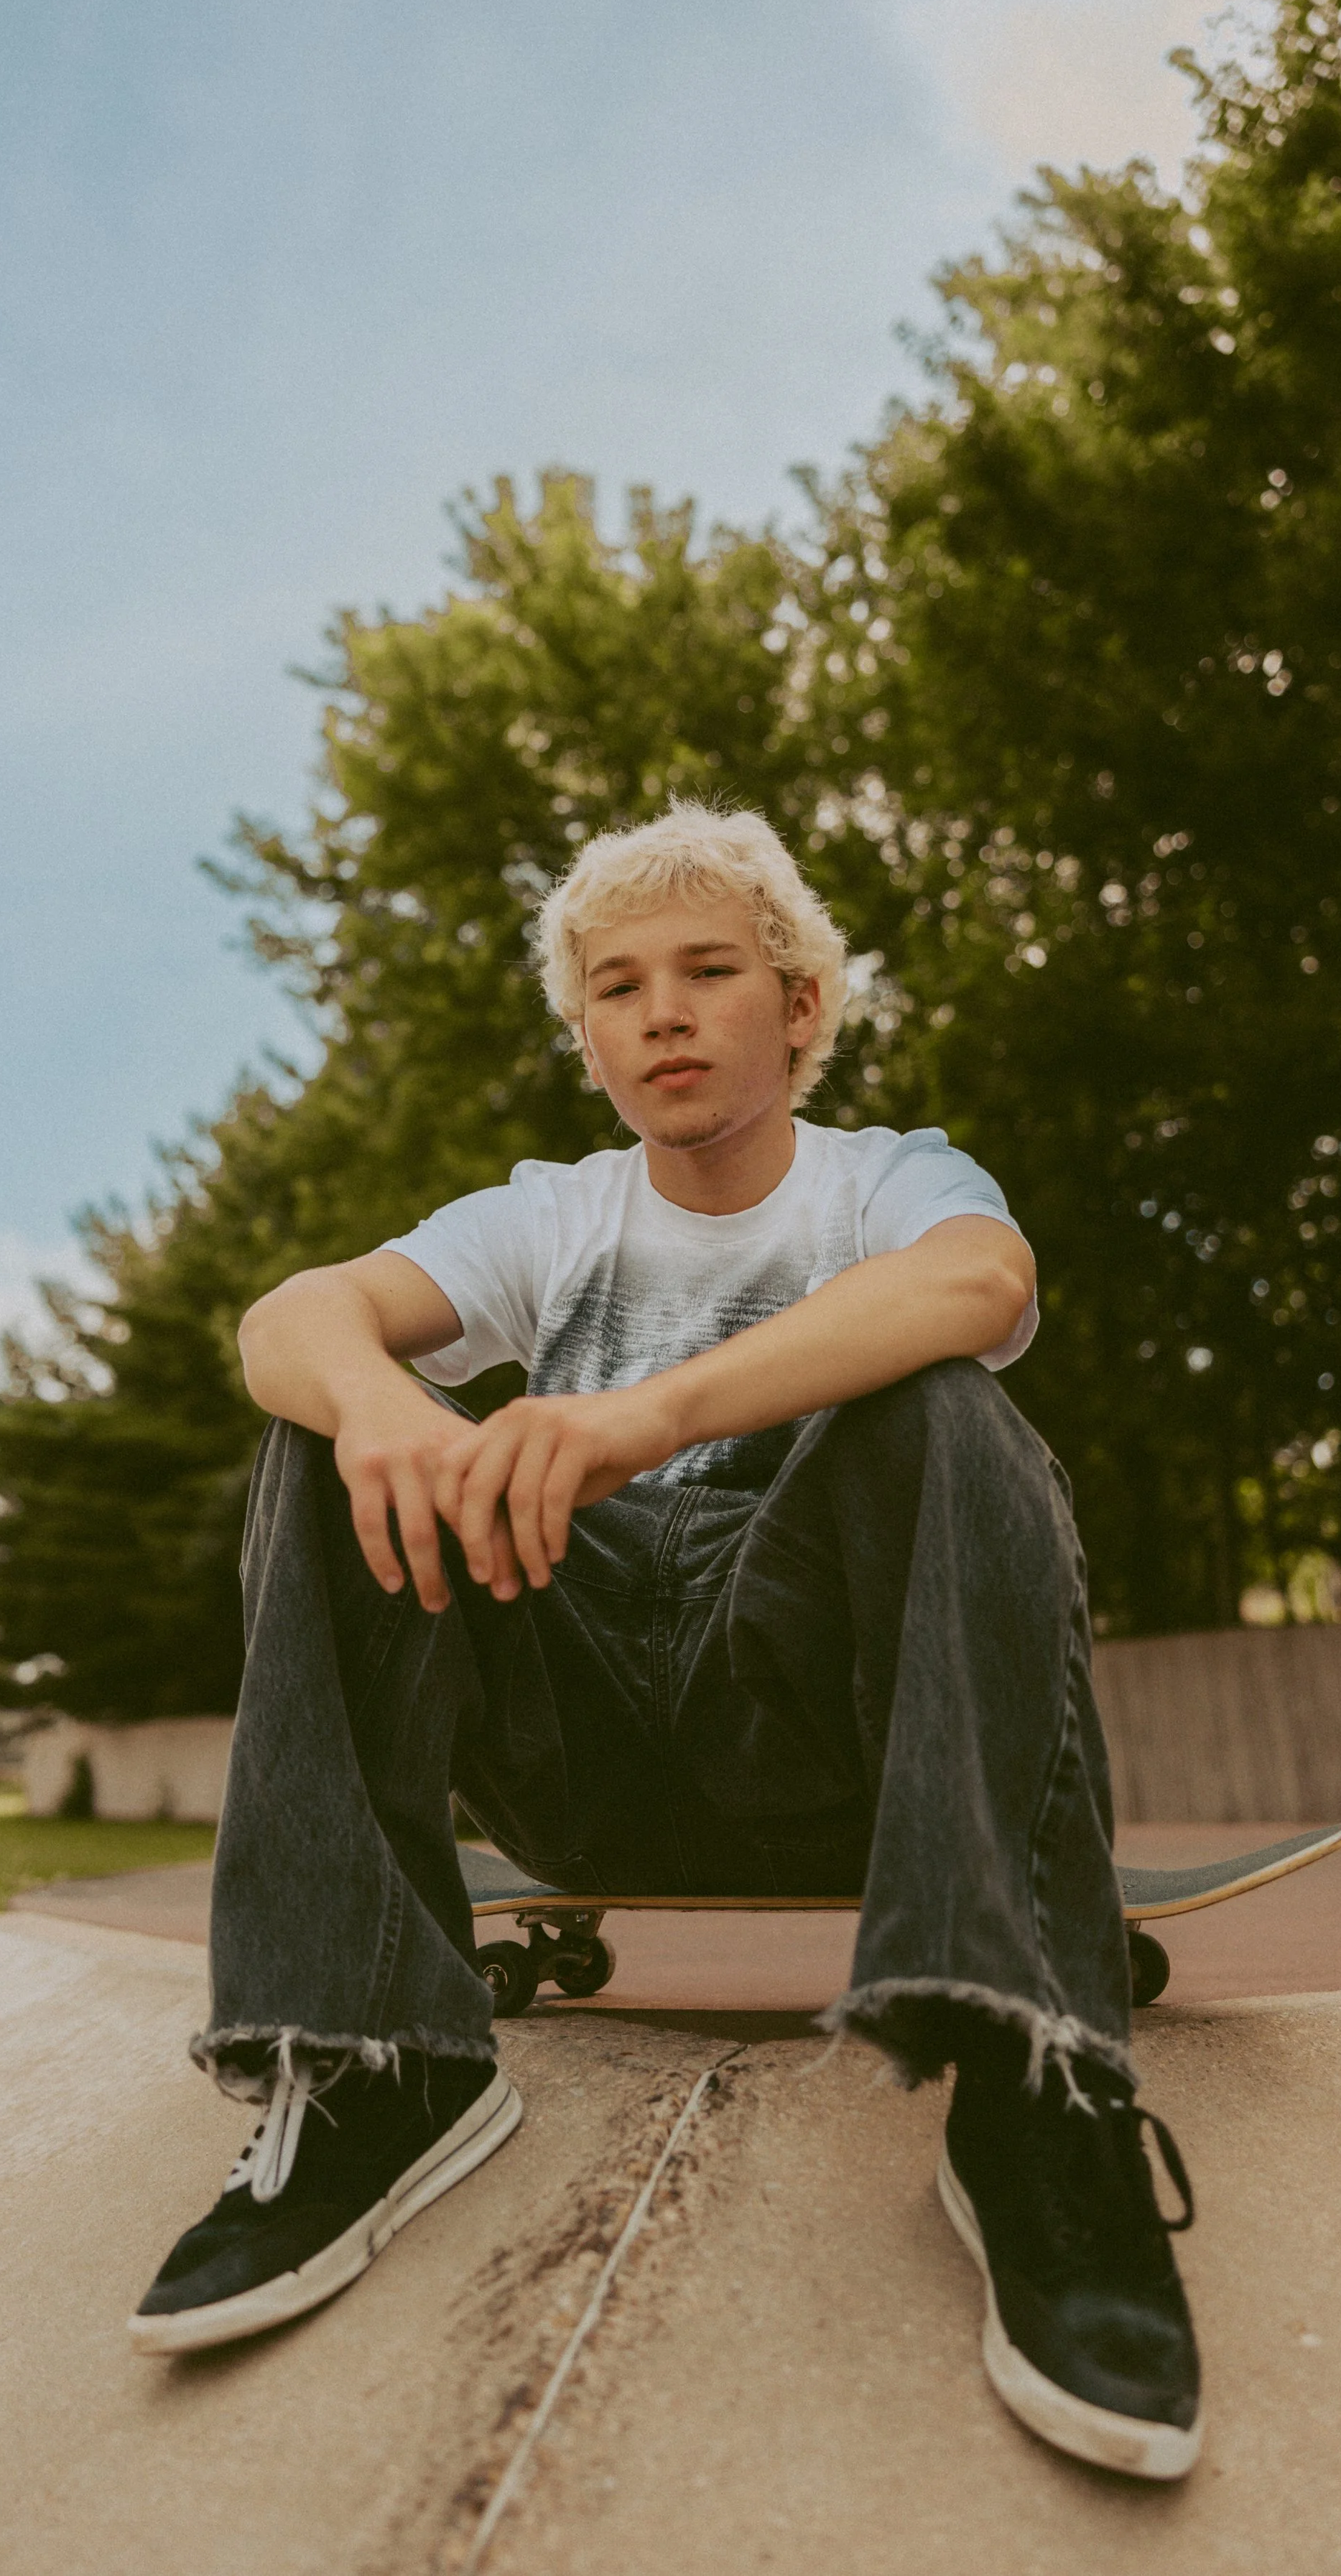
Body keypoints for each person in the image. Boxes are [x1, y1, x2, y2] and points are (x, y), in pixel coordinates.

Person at [129, 802, 1202, 2480]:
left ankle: (1031, 2074)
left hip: (826, 1733)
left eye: (710, 971)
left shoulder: (883, 1180)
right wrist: (378, 1407)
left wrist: (639, 1418)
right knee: (324, 1430)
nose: (666, 1011)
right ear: (591, 1044)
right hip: (587, 1740)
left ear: (797, 1008)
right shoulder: (549, 1215)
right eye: (619, 988)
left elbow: (979, 1286)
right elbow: (289, 1316)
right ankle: (374, 2060)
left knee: (938, 1406)